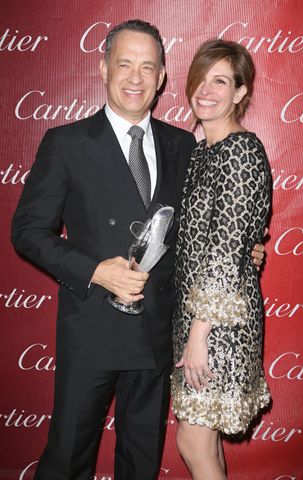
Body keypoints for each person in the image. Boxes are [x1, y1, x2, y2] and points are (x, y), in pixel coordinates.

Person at [11, 20, 265, 480]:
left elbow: (209, 225)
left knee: (141, 463)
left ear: (163, 76)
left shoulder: (184, 144)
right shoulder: (66, 143)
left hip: (157, 334)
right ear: (104, 68)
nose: (135, 77)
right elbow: (27, 231)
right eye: (124, 64)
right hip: (91, 329)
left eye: (148, 67)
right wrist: (94, 271)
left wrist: (245, 252)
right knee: (66, 459)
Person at [171, 39, 272, 479]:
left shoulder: (240, 151)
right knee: (204, 442)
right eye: (202, 78)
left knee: (192, 441)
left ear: (240, 92)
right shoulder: (201, 153)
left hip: (218, 323)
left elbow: (225, 252)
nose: (207, 90)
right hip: (197, 316)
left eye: (221, 80)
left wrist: (198, 335)